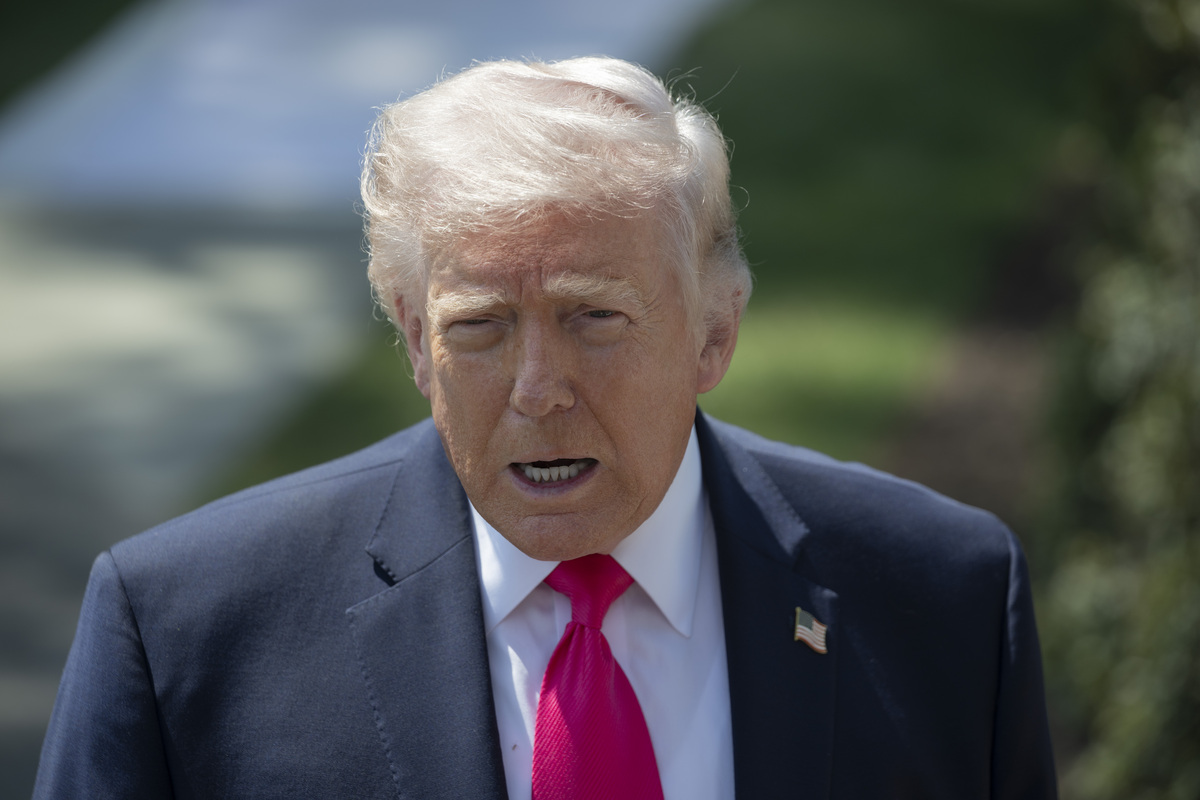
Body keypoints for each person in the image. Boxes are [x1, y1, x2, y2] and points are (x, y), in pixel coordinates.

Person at [34, 57, 1057, 799]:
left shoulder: (945, 598)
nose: (537, 387)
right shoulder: (180, 633)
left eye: (592, 316)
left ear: (714, 332)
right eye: (478, 328)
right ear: (416, 343)